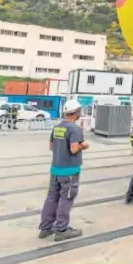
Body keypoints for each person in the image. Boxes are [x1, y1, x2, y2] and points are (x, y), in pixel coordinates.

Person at [38, 99, 89, 241]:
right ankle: (61, 229)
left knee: (52, 199)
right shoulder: (75, 129)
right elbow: (74, 149)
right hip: (69, 171)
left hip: (56, 169)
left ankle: (46, 228)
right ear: (77, 112)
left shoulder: (57, 127)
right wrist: (83, 146)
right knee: (66, 199)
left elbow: (51, 147)